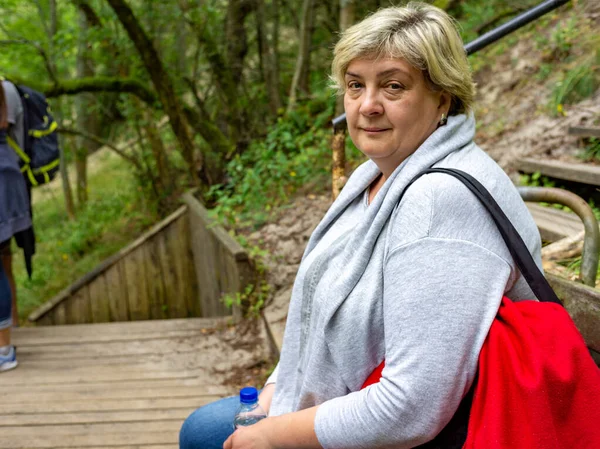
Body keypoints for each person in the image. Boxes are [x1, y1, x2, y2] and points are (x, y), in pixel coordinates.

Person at [180, 3, 542, 448]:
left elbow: (412, 408)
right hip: (345, 398)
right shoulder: (377, 174)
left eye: (393, 86)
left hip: (431, 432)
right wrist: (278, 391)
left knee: (204, 435)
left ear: (442, 98)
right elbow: (322, 307)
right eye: (355, 85)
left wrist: (277, 435)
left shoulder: (438, 202)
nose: (367, 106)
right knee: (204, 430)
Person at [1, 80, 33, 371]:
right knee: (4, 261)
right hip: (8, 173)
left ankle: (4, 348)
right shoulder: (5, 87)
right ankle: (7, 340)